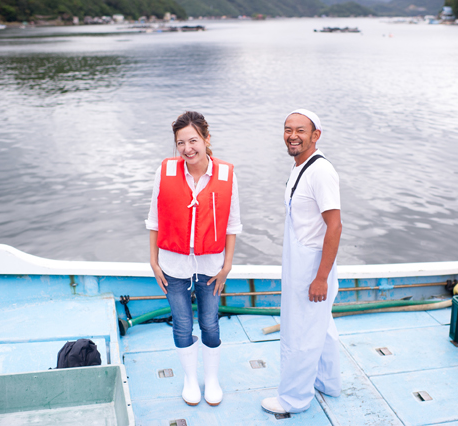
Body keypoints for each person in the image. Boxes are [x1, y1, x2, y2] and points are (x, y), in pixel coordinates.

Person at [145, 111, 242, 407]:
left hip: (211, 267)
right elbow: (153, 219)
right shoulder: (165, 172)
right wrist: (153, 261)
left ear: (206, 139)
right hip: (173, 265)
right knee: (182, 325)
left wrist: (227, 266)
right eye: (181, 143)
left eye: (193, 140)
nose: (188, 148)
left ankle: (211, 380)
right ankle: (190, 379)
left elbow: (232, 224)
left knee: (210, 323)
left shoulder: (226, 175)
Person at [261, 109, 342, 414]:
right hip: (303, 258)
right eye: (287, 129)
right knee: (321, 325)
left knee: (301, 331)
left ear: (315, 135)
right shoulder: (301, 166)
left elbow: (335, 226)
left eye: (300, 130)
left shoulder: (320, 172)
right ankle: (328, 382)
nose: (292, 135)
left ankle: (293, 400)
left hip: (311, 263)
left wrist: (320, 277)